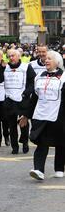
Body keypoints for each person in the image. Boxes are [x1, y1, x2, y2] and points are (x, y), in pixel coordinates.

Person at [27, 51, 65, 180]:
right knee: (42, 142)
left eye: (49, 58)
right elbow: (34, 98)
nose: (46, 60)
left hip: (58, 114)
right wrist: (26, 115)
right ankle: (38, 170)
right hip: (41, 114)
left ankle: (59, 168)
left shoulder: (64, 77)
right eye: (46, 59)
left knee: (61, 142)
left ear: (57, 62)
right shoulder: (39, 76)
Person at [0, 48, 36, 154]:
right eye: (9, 56)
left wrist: (26, 93)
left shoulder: (26, 67)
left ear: (18, 56)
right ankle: (15, 146)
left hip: (22, 99)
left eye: (13, 56)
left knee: (23, 124)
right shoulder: (5, 67)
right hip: (9, 100)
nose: (11, 58)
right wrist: (1, 68)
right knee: (12, 125)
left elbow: (32, 82)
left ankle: (25, 142)